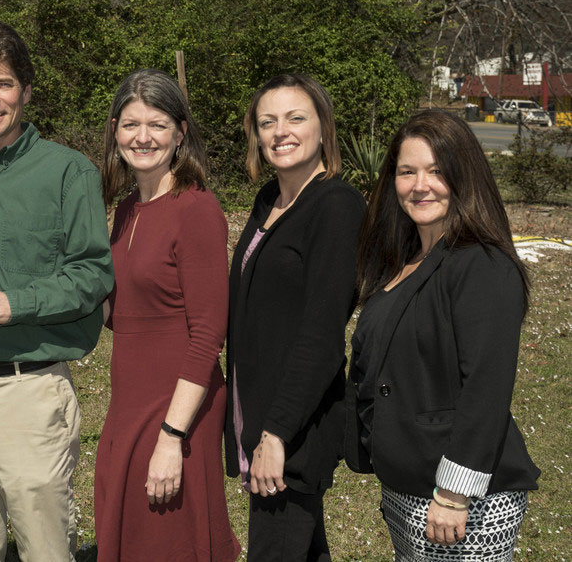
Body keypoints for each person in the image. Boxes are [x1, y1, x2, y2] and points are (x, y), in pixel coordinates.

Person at [0, 12, 114, 562]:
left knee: (45, 551)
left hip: (29, 394)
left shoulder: (68, 172)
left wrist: (15, 303)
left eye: (3, 84)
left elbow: (93, 274)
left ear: (25, 91)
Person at [347, 109, 539, 560]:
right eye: (407, 171)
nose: (420, 185)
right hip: (406, 487)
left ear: (463, 175)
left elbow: (486, 389)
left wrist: (454, 494)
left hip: (461, 501)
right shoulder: (405, 258)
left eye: (437, 171)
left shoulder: (481, 263)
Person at [93, 69, 240, 562]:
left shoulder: (196, 210)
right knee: (131, 532)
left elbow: (208, 335)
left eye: (157, 124)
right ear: (115, 131)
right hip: (127, 399)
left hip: (178, 402)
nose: (143, 137)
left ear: (180, 132)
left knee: (169, 541)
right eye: (131, 124)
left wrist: (172, 438)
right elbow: (121, 313)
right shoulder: (127, 208)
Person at [225, 73, 365, 561]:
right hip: (261, 416)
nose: (280, 131)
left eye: (295, 118)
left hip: (292, 431)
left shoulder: (336, 207)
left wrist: (276, 434)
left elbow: (322, 335)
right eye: (267, 122)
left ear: (323, 127)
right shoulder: (270, 201)